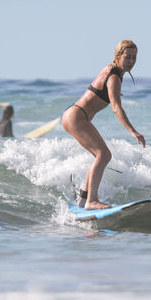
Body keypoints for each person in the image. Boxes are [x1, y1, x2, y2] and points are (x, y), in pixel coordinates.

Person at [62, 39, 145, 210]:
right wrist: (132, 131)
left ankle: (84, 199)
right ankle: (92, 200)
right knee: (104, 155)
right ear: (118, 56)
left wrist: (111, 90)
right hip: (77, 117)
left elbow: (101, 84)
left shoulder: (110, 70)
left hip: (74, 115)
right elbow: (116, 108)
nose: (131, 62)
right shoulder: (114, 77)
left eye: (134, 58)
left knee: (100, 156)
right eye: (127, 57)